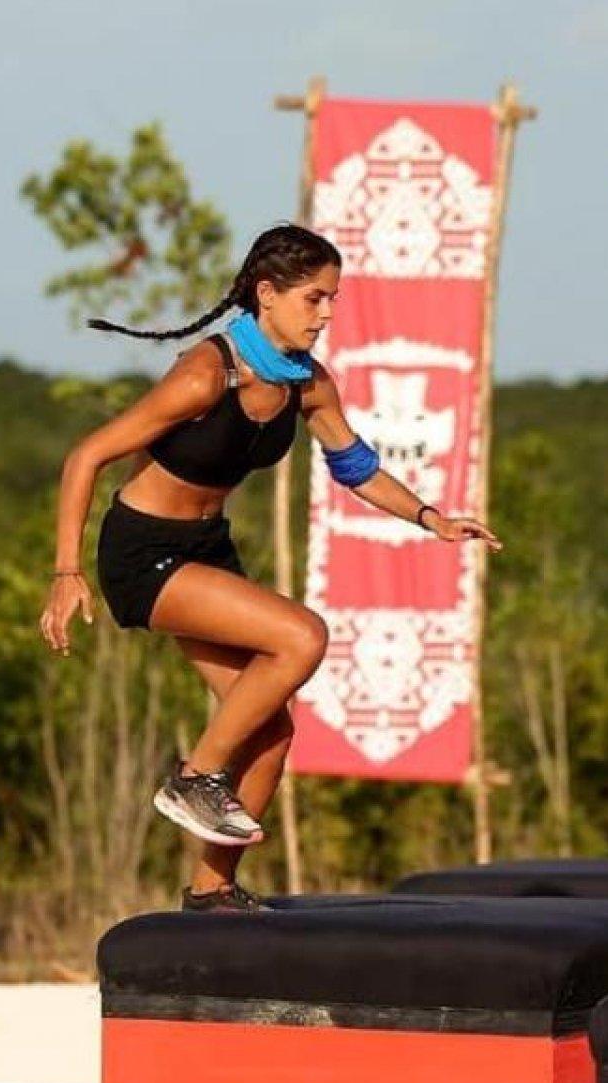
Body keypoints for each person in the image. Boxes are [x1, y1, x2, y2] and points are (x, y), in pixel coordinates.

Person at [38, 224, 501, 912]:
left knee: (272, 730)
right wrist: (66, 572)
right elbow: (86, 457)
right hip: (142, 553)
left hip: (205, 549)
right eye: (314, 299)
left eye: (333, 300)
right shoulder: (208, 373)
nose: (327, 314)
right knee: (302, 636)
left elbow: (356, 467)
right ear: (266, 294)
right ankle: (194, 777)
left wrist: (431, 519)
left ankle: (210, 892)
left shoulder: (308, 385)